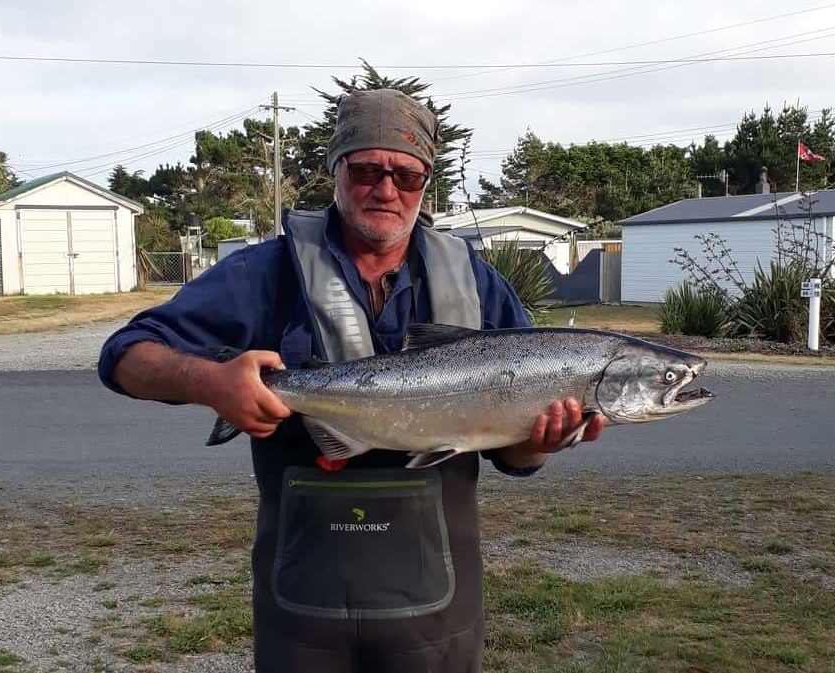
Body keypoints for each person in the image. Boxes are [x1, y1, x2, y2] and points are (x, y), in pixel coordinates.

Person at [96, 88, 606, 673]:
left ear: (426, 183)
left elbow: (515, 456)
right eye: (367, 170)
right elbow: (124, 355)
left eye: (407, 176)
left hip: (436, 606)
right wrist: (210, 381)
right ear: (335, 170)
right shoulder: (266, 274)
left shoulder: (478, 284)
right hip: (302, 606)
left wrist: (538, 443)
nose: (386, 190)